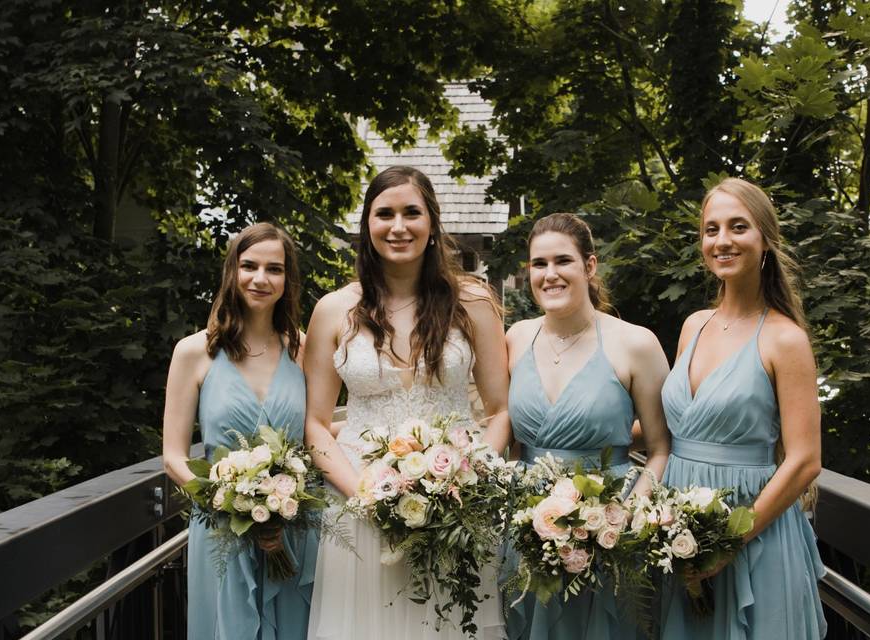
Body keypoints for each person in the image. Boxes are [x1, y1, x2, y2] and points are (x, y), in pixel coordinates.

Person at [303, 165, 510, 639]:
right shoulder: (335, 310)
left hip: (455, 509)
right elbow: (315, 424)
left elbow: (500, 411)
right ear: (367, 226)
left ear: (433, 224)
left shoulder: (473, 302)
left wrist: (465, 482)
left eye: (412, 213)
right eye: (385, 214)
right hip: (359, 510)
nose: (399, 227)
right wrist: (364, 496)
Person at [659, 178, 826, 638]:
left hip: (753, 530)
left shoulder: (784, 339)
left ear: (765, 240)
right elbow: (681, 426)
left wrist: (729, 541)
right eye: (711, 230)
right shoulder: (694, 326)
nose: (723, 240)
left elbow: (805, 460)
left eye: (738, 227)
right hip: (681, 534)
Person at [502, 212, 671, 640]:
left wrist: (622, 519)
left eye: (563, 261)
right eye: (539, 264)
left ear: (589, 266)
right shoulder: (516, 338)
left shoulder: (635, 343)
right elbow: (499, 431)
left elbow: (661, 448)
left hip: (607, 527)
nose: (550, 274)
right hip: (525, 531)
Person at [162, 222, 318, 640]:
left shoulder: (303, 351)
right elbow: (173, 455)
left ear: (288, 280)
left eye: (275, 268)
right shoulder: (195, 352)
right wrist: (229, 500)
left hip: (291, 529)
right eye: (249, 266)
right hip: (220, 528)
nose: (260, 279)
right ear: (232, 272)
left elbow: (316, 432)